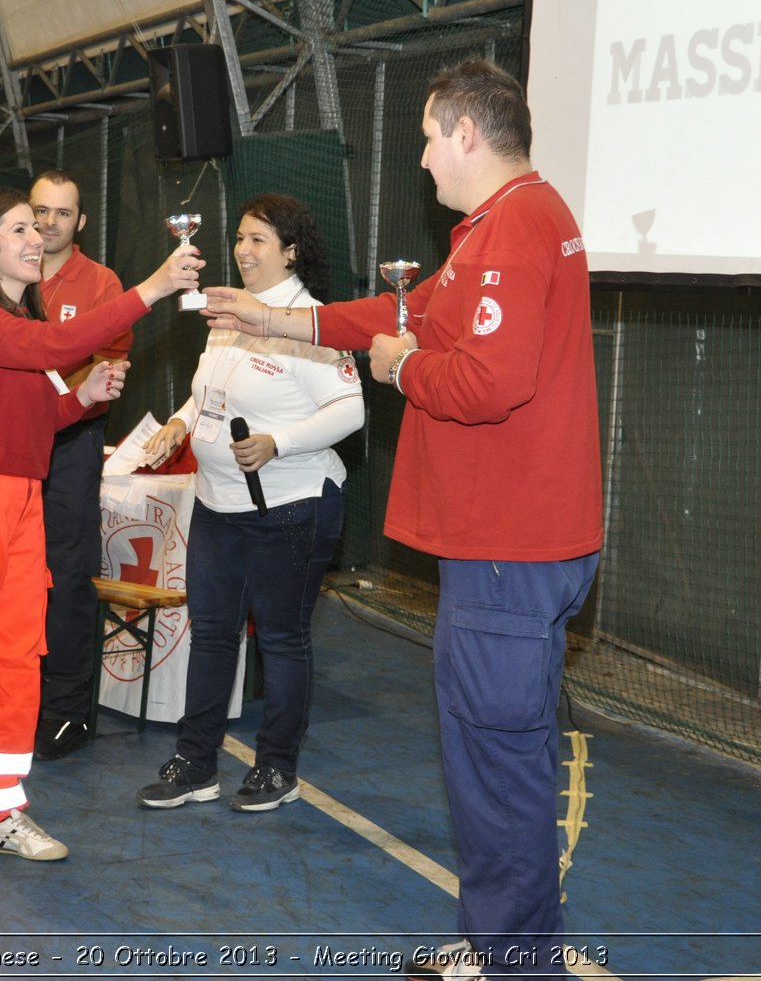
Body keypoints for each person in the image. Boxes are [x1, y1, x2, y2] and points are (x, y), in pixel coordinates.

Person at [201, 59, 602, 978]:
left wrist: (396, 368)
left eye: (428, 136)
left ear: (468, 132)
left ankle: (513, 960)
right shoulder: (512, 223)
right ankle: (510, 938)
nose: (421, 158)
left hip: (508, 545)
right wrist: (273, 320)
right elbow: (401, 308)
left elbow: (483, 381)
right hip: (524, 541)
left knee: (494, 763)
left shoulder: (510, 231)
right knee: (510, 755)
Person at [0, 185, 200, 873]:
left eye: (40, 225)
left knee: (18, 662)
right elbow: (56, 342)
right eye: (20, 227)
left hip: (22, 504)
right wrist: (152, 287)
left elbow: (32, 417)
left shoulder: (20, 327)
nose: (37, 235)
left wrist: (78, 399)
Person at [136, 193, 364, 813]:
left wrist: (277, 442)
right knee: (211, 636)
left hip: (292, 507)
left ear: (291, 253)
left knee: (283, 641)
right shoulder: (229, 312)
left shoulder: (310, 322)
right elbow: (209, 392)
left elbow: (352, 409)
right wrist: (182, 423)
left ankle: (275, 769)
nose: (242, 249)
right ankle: (196, 763)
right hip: (217, 506)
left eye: (259, 239)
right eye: (239, 237)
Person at [28, 170, 134, 760]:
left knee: (67, 577)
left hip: (71, 444)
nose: (48, 224)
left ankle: (67, 711)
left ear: (80, 222)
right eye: (39, 211)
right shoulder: (7, 271)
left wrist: (59, 392)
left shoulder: (101, 282)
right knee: (13, 572)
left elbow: (109, 370)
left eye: (61, 214)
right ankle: (15, 695)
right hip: (12, 445)